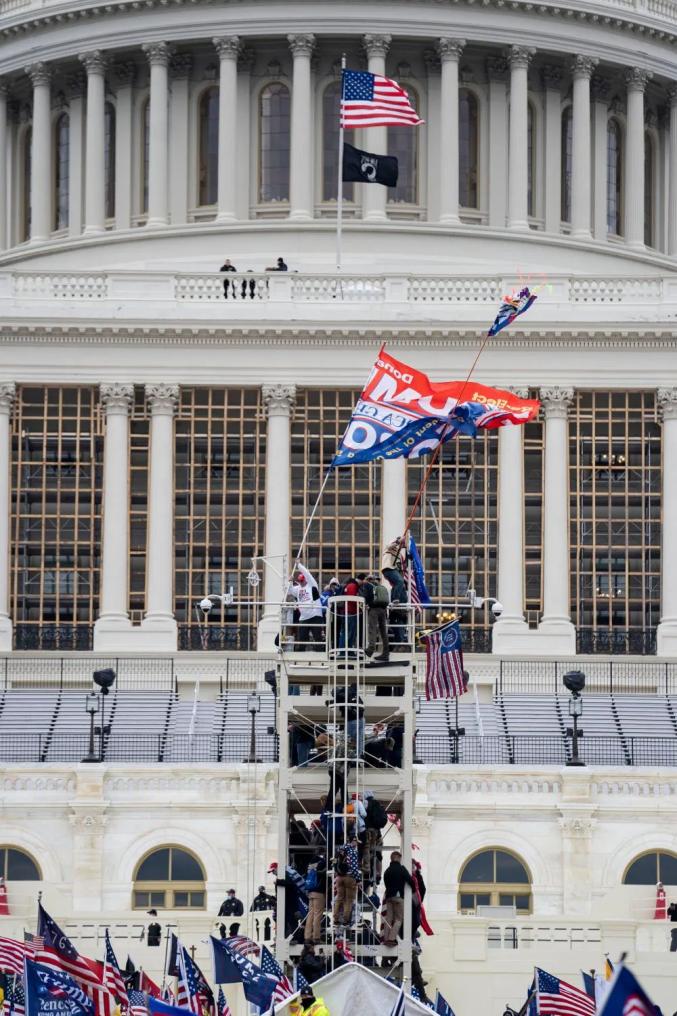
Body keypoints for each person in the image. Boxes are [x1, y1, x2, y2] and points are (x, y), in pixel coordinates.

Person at [381, 850, 414, 945]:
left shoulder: (387, 871)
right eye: (400, 858)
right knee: (399, 919)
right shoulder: (401, 869)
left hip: (389, 897)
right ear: (397, 858)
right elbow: (410, 880)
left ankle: (386, 938)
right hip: (398, 897)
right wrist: (414, 890)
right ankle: (391, 939)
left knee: (389, 919)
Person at [359, 573, 390, 662]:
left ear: (368, 580)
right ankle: (386, 653)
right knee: (383, 631)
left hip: (374, 610)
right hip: (383, 610)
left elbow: (365, 598)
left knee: (372, 629)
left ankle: (371, 649)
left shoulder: (368, 586)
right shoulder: (381, 587)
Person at [292, 565, 324, 650]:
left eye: (302, 581)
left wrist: (299, 566)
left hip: (315, 616)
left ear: (305, 579)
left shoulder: (312, 585)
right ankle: (299, 657)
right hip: (303, 617)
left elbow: (307, 574)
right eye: (299, 581)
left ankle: (320, 656)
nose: (301, 583)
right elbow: (289, 590)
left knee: (317, 638)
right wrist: (289, 582)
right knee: (301, 639)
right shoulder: (298, 588)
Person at [332, 840, 360, 931]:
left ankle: (335, 919)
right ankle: (345, 921)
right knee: (348, 900)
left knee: (339, 898)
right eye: (356, 842)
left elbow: (334, 863)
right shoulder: (352, 852)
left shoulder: (339, 849)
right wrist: (358, 879)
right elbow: (354, 867)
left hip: (339, 877)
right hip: (349, 877)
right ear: (353, 841)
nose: (357, 844)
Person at [304, 855, 328, 946]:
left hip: (310, 893)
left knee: (310, 915)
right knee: (317, 915)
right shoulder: (321, 865)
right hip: (319, 893)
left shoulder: (310, 868)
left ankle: (307, 937)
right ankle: (316, 937)